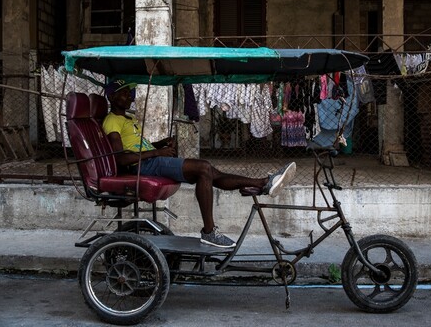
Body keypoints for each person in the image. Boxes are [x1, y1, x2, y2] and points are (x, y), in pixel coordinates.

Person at [102, 80, 296, 248]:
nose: (129, 96)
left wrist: (160, 144)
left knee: (208, 171)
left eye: (130, 92)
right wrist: (158, 152)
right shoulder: (112, 122)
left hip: (151, 159)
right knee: (204, 168)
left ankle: (262, 183)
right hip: (143, 166)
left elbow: (136, 146)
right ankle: (210, 231)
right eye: (124, 93)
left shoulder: (129, 118)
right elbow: (121, 158)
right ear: (112, 97)